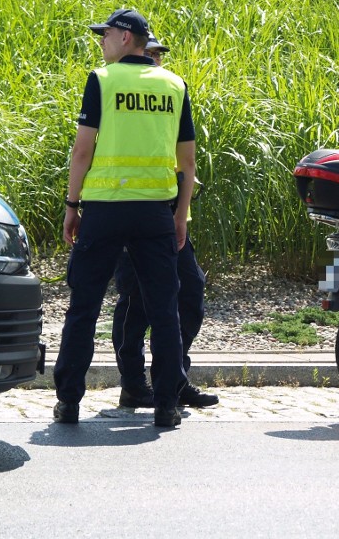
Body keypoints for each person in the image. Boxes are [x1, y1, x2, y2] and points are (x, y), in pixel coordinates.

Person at [53, 8, 192, 428]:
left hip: (105, 210)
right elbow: (186, 159)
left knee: (84, 307)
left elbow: (82, 152)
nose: (102, 41)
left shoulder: (103, 80)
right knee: (164, 309)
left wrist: (71, 206)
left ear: (128, 37)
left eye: (107, 34)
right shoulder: (174, 85)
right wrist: (181, 215)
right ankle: (166, 405)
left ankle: (69, 402)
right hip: (155, 212)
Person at [113, 34, 219, 410]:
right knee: (136, 302)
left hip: (171, 217)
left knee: (190, 294)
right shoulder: (121, 93)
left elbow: (183, 157)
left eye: (160, 55)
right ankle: (133, 383)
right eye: (152, 54)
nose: (157, 61)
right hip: (131, 210)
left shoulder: (170, 96)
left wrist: (181, 215)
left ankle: (171, 380)